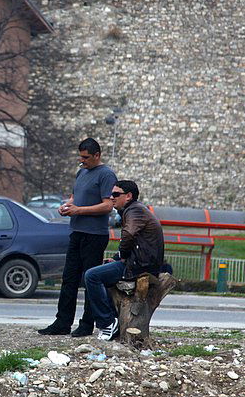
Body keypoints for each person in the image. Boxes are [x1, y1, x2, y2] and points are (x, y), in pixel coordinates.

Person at [38, 137, 117, 337]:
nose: (82, 161)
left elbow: (108, 205)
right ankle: (62, 322)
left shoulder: (106, 174)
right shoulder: (81, 172)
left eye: (86, 157)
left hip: (94, 235)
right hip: (77, 232)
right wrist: (66, 205)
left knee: (89, 279)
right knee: (69, 278)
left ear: (97, 155)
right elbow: (75, 197)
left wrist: (79, 210)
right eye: (80, 157)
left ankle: (87, 323)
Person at [83, 180, 165, 341]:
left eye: (115, 194)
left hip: (140, 267)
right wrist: (116, 259)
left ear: (128, 196)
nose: (111, 197)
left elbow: (128, 236)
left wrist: (121, 255)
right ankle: (113, 321)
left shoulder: (134, 211)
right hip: (138, 263)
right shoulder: (135, 210)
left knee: (91, 276)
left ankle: (107, 322)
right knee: (102, 273)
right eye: (110, 194)